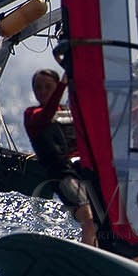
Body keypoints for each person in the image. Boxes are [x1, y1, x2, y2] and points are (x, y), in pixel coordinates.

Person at [24, 68, 100, 249]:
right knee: (88, 217)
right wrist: (62, 85)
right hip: (62, 175)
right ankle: (86, 258)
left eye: (48, 87)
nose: (42, 91)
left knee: (101, 219)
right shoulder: (32, 115)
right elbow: (46, 115)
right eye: (38, 87)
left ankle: (100, 251)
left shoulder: (69, 113)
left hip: (83, 170)